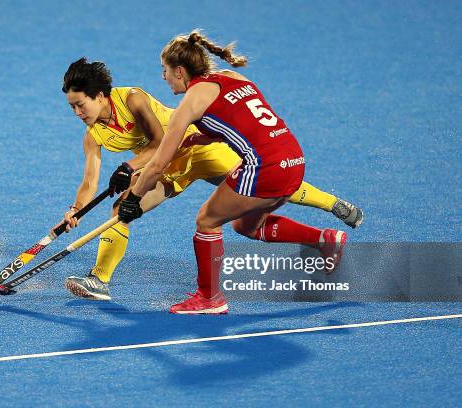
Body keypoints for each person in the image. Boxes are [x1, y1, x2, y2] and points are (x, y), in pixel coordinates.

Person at [58, 57, 362, 302]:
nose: (76, 112)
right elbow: (89, 179)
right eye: (71, 106)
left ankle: (333, 204)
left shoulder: (132, 98)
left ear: (100, 96)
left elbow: (158, 141)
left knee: (265, 182)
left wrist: (129, 166)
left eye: (80, 104)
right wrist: (76, 209)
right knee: (120, 211)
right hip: (168, 169)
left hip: (199, 148)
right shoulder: (92, 136)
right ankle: (99, 281)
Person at [118, 31, 350, 314]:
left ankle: (209, 298)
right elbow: (243, 120)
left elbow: (157, 165)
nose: (163, 77)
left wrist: (133, 199)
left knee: (206, 220)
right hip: (293, 158)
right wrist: (198, 138)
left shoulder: (190, 102)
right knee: (246, 226)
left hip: (265, 167)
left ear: (180, 71)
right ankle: (323, 240)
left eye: (164, 71)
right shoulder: (232, 77)